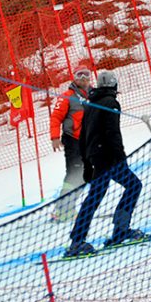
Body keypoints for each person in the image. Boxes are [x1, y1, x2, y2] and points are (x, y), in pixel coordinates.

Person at [65, 70, 147, 257]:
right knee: (134, 185)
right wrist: (121, 158)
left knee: (95, 196)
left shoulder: (90, 104)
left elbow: (83, 137)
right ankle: (119, 231)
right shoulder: (111, 103)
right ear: (114, 86)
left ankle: (78, 240)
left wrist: (87, 163)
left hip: (96, 156)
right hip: (109, 157)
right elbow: (112, 133)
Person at [48, 67, 92, 221]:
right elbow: (55, 117)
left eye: (86, 76)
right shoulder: (67, 96)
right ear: (74, 79)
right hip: (73, 141)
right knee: (74, 175)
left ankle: (67, 207)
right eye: (80, 76)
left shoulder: (93, 95)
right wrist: (54, 137)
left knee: (87, 175)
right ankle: (62, 210)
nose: (83, 79)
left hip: (89, 141)